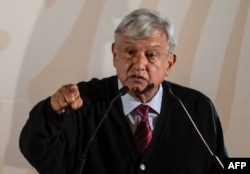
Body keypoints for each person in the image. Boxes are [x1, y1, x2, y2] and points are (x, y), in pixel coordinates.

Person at [19, 8, 228, 174]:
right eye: (129, 52)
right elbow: (39, 154)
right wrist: (52, 112)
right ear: (114, 54)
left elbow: (227, 167)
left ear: (169, 64)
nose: (139, 64)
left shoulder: (198, 109)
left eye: (151, 55)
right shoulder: (84, 102)